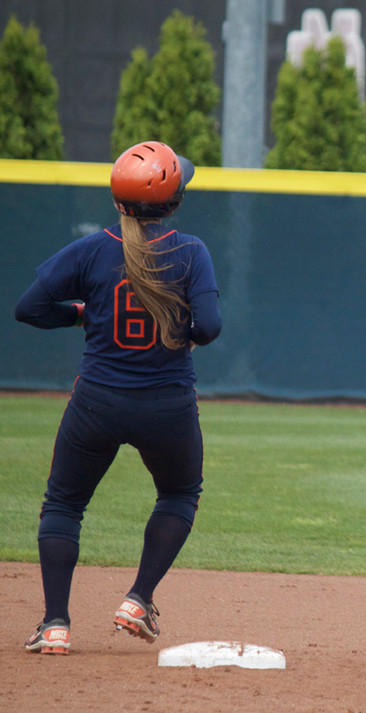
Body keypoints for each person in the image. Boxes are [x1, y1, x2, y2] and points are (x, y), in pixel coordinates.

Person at [15, 141, 221, 655]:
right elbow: (211, 328)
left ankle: (55, 624)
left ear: (118, 201)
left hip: (97, 403)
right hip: (167, 405)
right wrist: (182, 328)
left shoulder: (91, 249)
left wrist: (82, 314)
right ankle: (138, 598)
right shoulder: (190, 250)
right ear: (172, 202)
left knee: (64, 504)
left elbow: (29, 308)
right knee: (178, 495)